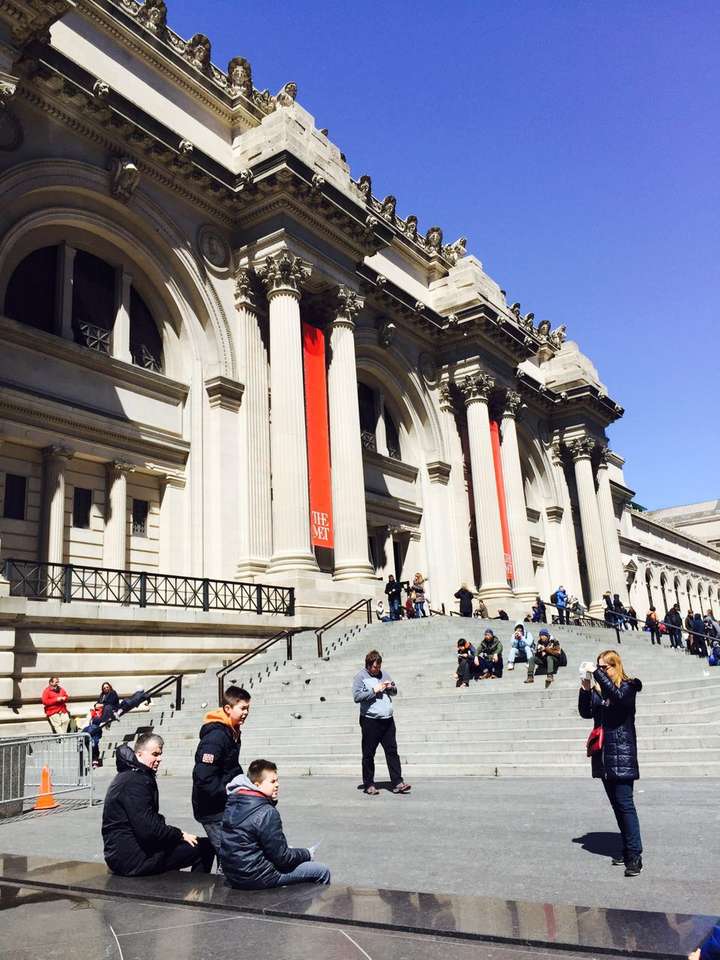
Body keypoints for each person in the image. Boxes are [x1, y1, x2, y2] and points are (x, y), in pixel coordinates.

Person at [103, 734, 214, 876]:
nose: (159, 759)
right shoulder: (135, 781)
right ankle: (195, 895)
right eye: (155, 754)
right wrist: (179, 834)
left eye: (160, 754)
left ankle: (179, 889)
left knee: (174, 845)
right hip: (132, 859)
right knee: (204, 847)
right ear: (139, 754)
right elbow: (148, 829)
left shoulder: (129, 774)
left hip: (122, 854)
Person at [578, 650, 643, 878]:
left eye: (604, 668)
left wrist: (597, 674)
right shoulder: (601, 691)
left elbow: (618, 698)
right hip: (604, 756)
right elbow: (585, 712)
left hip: (622, 754)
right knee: (617, 806)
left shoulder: (629, 686)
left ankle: (635, 855)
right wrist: (586, 686)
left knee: (625, 805)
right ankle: (626, 849)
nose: (600, 672)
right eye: (598, 668)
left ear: (615, 666)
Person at [220, 759, 331, 889]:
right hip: (257, 876)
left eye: (277, 780)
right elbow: (283, 858)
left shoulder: (234, 801)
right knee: (321, 870)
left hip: (233, 873)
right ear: (257, 785)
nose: (277, 784)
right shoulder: (267, 812)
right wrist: (307, 853)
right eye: (272, 781)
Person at [192, 685, 250, 861]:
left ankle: (223, 884)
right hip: (212, 810)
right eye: (243, 708)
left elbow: (231, 767)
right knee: (229, 856)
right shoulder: (216, 736)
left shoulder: (231, 731)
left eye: (248, 708)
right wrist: (229, 790)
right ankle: (224, 887)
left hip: (222, 805)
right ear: (227, 708)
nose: (246, 712)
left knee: (229, 853)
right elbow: (203, 777)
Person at [351, 650, 411, 795]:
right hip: (370, 721)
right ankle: (369, 784)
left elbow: (394, 691)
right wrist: (374, 690)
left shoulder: (385, 674)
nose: (377, 670)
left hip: (388, 720)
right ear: (368, 665)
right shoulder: (360, 677)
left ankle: (398, 782)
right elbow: (357, 697)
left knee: (392, 751)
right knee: (368, 753)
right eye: (375, 667)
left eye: (379, 667)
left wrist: (391, 688)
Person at [82, 701, 105, 767]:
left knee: (91, 751)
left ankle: (92, 761)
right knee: (95, 751)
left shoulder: (88, 727)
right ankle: (95, 761)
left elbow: (83, 731)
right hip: (93, 741)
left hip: (87, 740)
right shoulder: (98, 728)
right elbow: (100, 736)